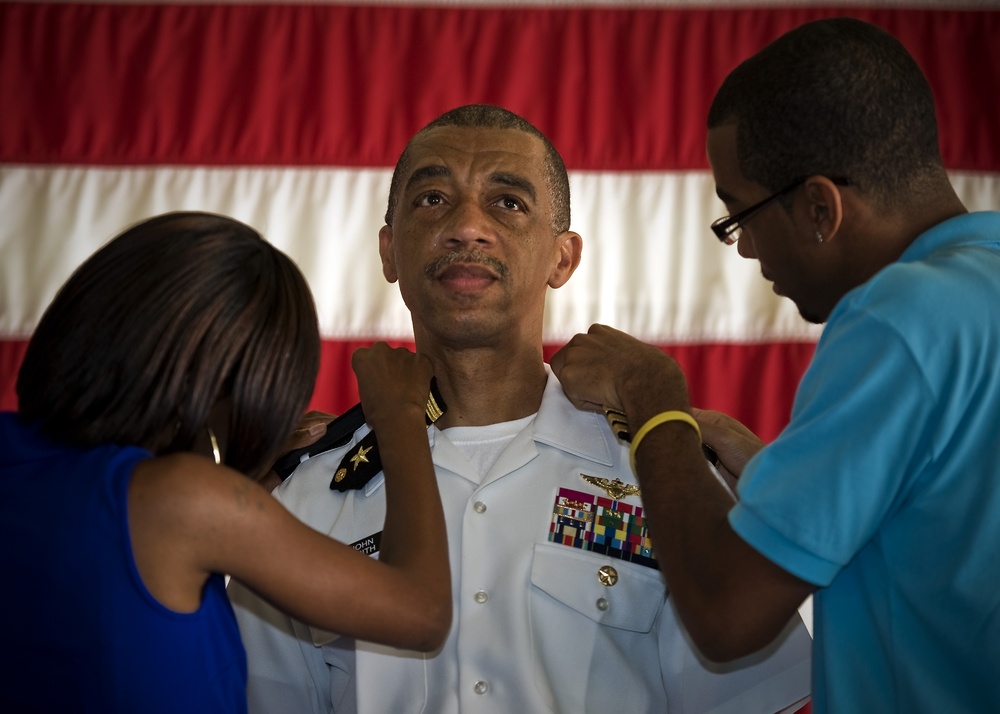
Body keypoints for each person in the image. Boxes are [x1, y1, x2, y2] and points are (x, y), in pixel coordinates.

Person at [228, 104, 812, 714]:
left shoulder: (661, 477)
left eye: (507, 202)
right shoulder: (302, 499)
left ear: (563, 259)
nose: (467, 227)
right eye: (432, 199)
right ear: (389, 252)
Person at [551, 17, 1000, 713]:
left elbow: (727, 612)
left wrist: (656, 403)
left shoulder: (899, 316)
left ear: (821, 207)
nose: (746, 251)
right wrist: (769, 472)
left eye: (741, 215)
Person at [0, 212, 451, 713]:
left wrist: (241, 481)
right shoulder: (185, 500)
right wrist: (401, 417)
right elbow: (422, 611)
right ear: (234, 391)